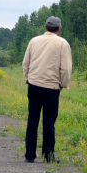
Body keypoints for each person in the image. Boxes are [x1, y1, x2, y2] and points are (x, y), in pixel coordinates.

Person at [22, 16, 72, 163]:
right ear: (58, 28)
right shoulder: (62, 43)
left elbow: (26, 63)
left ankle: (29, 155)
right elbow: (66, 68)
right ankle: (48, 156)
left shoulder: (34, 41)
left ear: (45, 27)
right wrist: (63, 84)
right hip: (51, 87)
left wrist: (28, 79)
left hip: (34, 85)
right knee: (49, 122)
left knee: (33, 120)